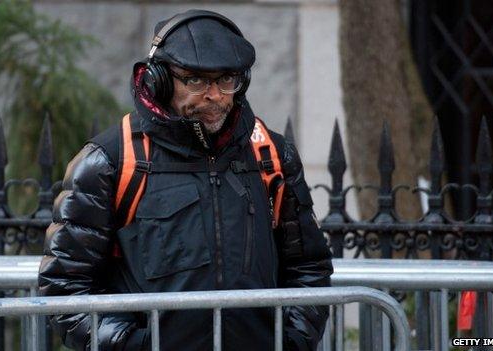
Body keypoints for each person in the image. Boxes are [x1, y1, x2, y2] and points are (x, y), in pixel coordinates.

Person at [38, 9, 333, 351]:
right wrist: (134, 346)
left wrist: (290, 342)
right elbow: (65, 287)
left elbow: (309, 267)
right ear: (159, 80)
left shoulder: (272, 154)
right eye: (195, 80)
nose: (215, 95)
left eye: (227, 80)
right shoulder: (110, 161)